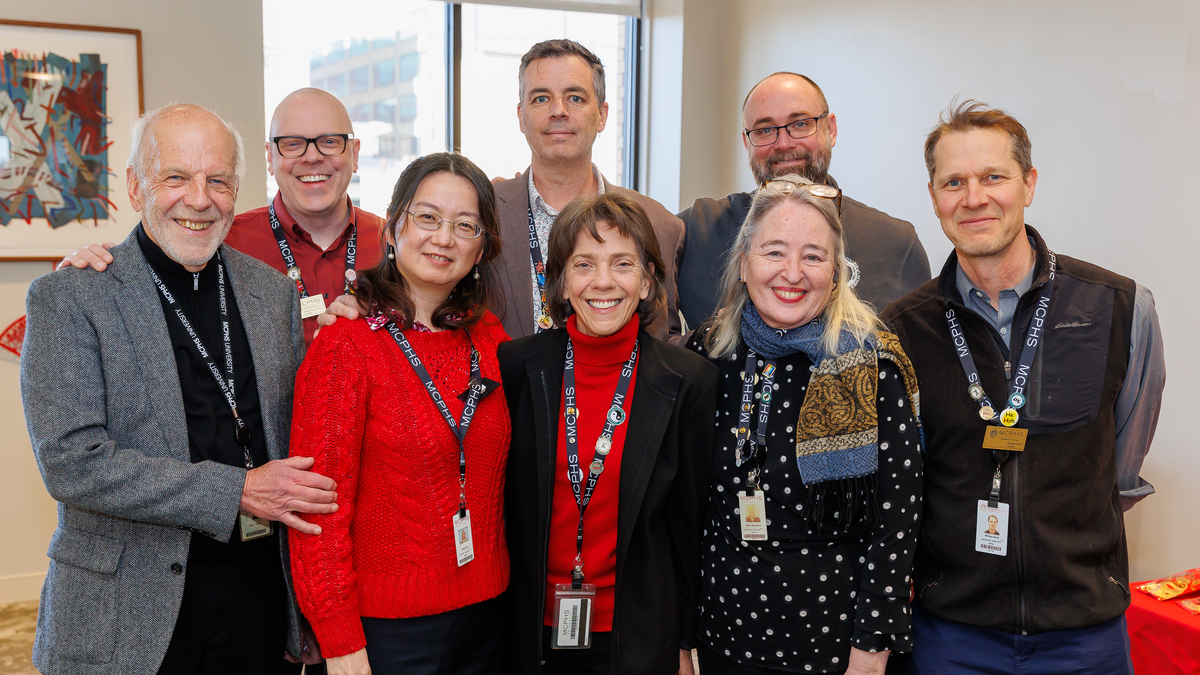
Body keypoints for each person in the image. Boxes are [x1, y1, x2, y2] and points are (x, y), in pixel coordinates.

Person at [20, 103, 336, 674]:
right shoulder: (71, 297)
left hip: (257, 600)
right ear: (137, 187)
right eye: (176, 178)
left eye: (217, 180)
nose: (199, 198)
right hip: (125, 613)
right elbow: (71, 463)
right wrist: (235, 492)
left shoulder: (272, 295)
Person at [881, 100, 1166, 675]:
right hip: (953, 636)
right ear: (934, 197)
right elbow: (903, 478)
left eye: (994, 177)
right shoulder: (900, 330)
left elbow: (1121, 464)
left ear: (1028, 184)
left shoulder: (1120, 307)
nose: (974, 197)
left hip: (1085, 636)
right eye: (953, 182)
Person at [685, 176, 923, 675]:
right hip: (724, 636)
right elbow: (685, 512)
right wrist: (683, 636)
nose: (792, 273)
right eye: (774, 252)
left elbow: (897, 522)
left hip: (834, 645)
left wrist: (872, 648)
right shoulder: (706, 353)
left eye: (813, 256)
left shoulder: (873, 363)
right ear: (744, 261)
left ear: (836, 273)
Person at [288, 152, 511, 675]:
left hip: (489, 614)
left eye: (465, 226)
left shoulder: (491, 339)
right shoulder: (345, 346)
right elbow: (317, 510)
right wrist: (340, 641)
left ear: (481, 249)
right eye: (427, 217)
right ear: (392, 229)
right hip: (388, 631)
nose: (444, 238)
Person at [498, 192, 718, 674]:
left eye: (622, 263)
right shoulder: (516, 366)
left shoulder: (689, 383)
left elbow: (689, 529)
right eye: (584, 264)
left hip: (638, 635)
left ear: (646, 281)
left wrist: (685, 641)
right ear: (559, 282)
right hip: (529, 631)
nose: (603, 282)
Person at [58, 87, 385, 346]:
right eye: (293, 144)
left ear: (354, 154)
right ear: (270, 158)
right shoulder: (213, 239)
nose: (312, 157)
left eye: (330, 142)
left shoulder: (396, 246)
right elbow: (146, 285)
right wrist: (92, 270)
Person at [676, 72, 930, 328]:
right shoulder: (697, 229)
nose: (784, 143)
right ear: (746, 142)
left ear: (830, 130)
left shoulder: (896, 245)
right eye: (765, 130)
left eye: (800, 124)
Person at [494, 39, 684, 340]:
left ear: (602, 115)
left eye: (575, 98)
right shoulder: (484, 215)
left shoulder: (660, 226)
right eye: (541, 98)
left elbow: (664, 346)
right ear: (521, 115)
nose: (558, 111)